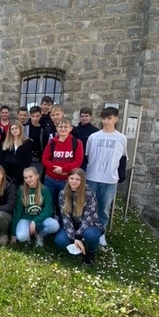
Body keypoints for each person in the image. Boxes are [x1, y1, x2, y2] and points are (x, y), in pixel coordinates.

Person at [85, 107, 127, 246]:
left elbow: (122, 158)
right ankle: (87, 230)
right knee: (89, 206)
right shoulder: (93, 137)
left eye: (109, 118)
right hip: (92, 177)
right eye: (104, 118)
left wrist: (121, 174)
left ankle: (101, 232)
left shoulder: (121, 138)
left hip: (110, 179)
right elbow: (87, 156)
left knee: (104, 208)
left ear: (116, 119)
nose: (106, 121)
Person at [55, 168, 104, 265]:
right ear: (68, 178)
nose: (74, 181)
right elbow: (65, 217)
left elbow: (88, 218)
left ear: (82, 181)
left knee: (91, 235)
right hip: (72, 225)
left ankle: (91, 251)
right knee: (60, 241)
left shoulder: (90, 194)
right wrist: (73, 238)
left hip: (89, 224)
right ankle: (77, 247)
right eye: (71, 178)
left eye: (78, 179)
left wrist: (78, 236)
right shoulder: (62, 193)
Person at [42, 116, 84, 213]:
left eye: (66, 127)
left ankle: (63, 222)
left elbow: (78, 161)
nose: (63, 129)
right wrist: (54, 168)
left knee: (65, 207)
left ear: (70, 128)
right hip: (50, 179)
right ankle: (50, 222)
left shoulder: (77, 143)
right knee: (49, 205)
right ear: (57, 128)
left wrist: (63, 169)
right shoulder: (52, 142)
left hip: (66, 180)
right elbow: (44, 159)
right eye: (60, 127)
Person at [11, 167, 59, 247]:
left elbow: (49, 210)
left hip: (40, 219)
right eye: (26, 178)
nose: (28, 180)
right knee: (21, 237)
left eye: (30, 176)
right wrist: (13, 233)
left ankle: (40, 234)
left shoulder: (44, 190)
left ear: (37, 176)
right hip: (26, 218)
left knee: (54, 225)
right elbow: (17, 211)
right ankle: (29, 235)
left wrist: (35, 221)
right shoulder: (21, 191)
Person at [0, 121, 33, 186]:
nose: (14, 130)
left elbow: (28, 160)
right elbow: (1, 158)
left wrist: (19, 174)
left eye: (16, 128)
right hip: (6, 172)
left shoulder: (27, 143)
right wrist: (1, 171)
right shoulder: (6, 142)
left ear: (20, 129)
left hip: (19, 173)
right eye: (12, 129)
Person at [23, 105, 43, 174]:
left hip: (39, 159)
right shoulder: (24, 128)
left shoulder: (43, 128)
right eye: (33, 116)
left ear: (41, 115)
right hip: (27, 158)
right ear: (30, 116)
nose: (35, 118)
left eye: (37, 116)